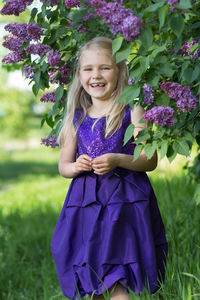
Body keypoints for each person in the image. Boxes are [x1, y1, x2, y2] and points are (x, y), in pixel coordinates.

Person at [50, 37, 168, 300]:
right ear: (79, 74)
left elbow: (150, 159)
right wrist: (76, 166)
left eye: (105, 67)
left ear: (120, 71)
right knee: (94, 277)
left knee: (117, 274)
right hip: (86, 206)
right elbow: (63, 166)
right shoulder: (76, 115)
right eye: (88, 69)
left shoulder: (132, 109)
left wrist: (118, 159)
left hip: (124, 203)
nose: (96, 75)